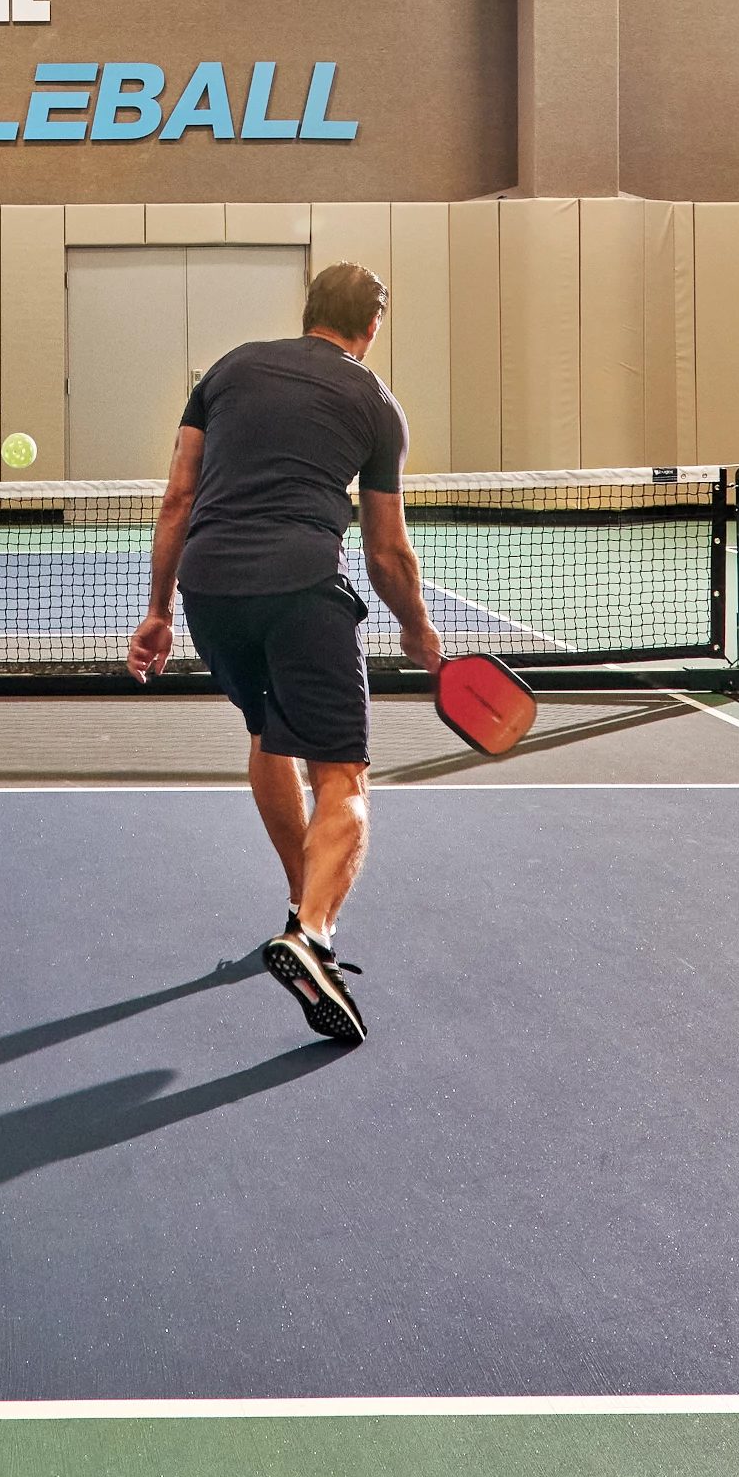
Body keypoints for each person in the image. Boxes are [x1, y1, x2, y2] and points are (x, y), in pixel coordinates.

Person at [123, 261, 437, 1047]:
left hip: (210, 590)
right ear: (371, 327)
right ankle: (314, 932)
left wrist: (158, 611)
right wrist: (418, 629)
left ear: (306, 312)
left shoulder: (228, 370)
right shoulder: (375, 401)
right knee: (344, 776)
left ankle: (303, 908)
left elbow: (178, 497)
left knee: (267, 732)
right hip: (303, 588)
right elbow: (386, 550)